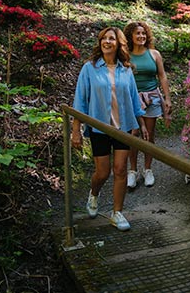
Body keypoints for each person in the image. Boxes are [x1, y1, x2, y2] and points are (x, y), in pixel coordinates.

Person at [71, 26, 148, 231]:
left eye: (111, 39)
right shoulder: (90, 68)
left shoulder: (126, 70)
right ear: (100, 43)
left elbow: (133, 100)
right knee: (102, 173)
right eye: (104, 38)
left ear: (118, 43)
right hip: (99, 128)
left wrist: (141, 124)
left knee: (121, 170)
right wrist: (76, 130)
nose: (107, 42)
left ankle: (117, 213)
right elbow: (80, 100)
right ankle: (94, 193)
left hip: (123, 127)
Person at [123, 21, 172, 188]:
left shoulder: (154, 54)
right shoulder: (125, 55)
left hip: (152, 98)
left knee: (149, 135)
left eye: (143, 33)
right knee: (133, 135)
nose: (141, 36)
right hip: (131, 99)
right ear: (131, 35)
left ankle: (148, 169)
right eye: (137, 33)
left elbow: (162, 76)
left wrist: (167, 98)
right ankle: (132, 171)